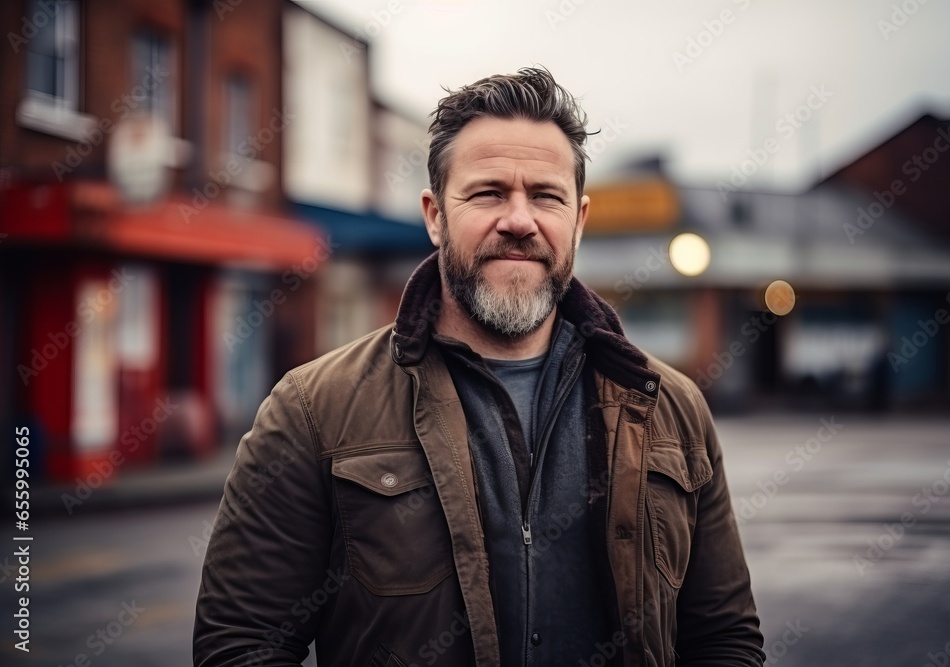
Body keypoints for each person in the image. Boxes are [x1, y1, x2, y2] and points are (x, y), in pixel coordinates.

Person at [194, 66, 765, 667]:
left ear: (579, 219)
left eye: (546, 196)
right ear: (435, 214)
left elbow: (723, 640)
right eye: (488, 192)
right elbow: (241, 644)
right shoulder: (314, 409)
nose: (519, 220)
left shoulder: (670, 406)